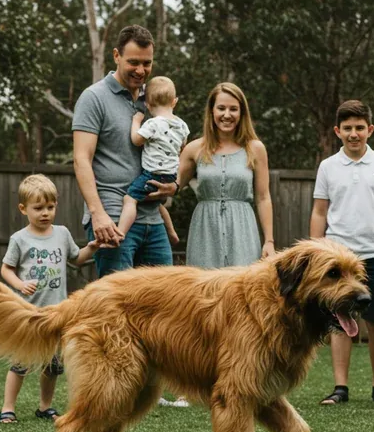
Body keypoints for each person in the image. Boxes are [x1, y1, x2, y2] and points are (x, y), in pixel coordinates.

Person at [71, 24, 189, 408]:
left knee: (166, 308)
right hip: (112, 219)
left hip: (152, 219)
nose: (140, 70)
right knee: (113, 318)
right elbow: (82, 160)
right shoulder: (94, 98)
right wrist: (97, 214)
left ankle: (145, 397)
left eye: (147, 63)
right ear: (116, 56)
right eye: (134, 62)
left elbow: (168, 155)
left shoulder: (152, 102)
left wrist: (173, 187)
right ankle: (103, 398)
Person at [310, 100, 374, 405]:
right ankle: (340, 387)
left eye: (359, 128)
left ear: (370, 130)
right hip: (339, 258)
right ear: (337, 131)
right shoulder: (328, 167)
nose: (353, 134)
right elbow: (319, 212)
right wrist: (316, 253)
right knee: (340, 321)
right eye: (347, 128)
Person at [0, 175, 99, 423]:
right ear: (23, 209)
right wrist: (20, 284)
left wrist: (92, 248)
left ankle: (45, 407)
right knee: (20, 363)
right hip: (29, 313)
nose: (45, 213)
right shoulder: (20, 239)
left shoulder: (62, 234)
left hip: (56, 313)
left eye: (50, 207)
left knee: (52, 366)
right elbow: (6, 269)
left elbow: (76, 258)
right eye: (38, 208)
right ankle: (8, 408)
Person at [177, 82, 275, 268]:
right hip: (205, 230)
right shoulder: (194, 149)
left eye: (233, 109)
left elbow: (263, 198)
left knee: (243, 283)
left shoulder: (255, 149)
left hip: (243, 230)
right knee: (203, 283)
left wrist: (269, 241)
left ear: (242, 113)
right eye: (221, 108)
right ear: (212, 111)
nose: (227, 115)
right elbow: (172, 187)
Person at [120, 76, 187, 244]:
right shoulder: (182, 125)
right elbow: (183, 146)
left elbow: (136, 140)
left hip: (152, 174)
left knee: (130, 199)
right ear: (174, 101)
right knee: (157, 205)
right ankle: (171, 232)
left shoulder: (153, 124)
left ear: (148, 105)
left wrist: (136, 121)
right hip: (170, 176)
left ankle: (121, 232)